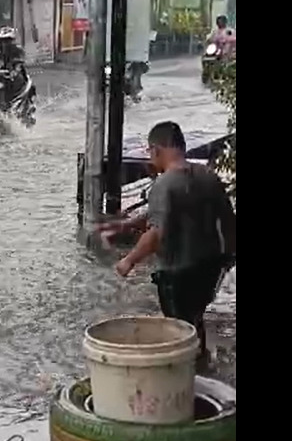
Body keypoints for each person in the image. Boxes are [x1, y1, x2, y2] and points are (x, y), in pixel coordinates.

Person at [97, 121, 236, 362]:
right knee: (195, 320)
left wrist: (128, 261)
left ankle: (185, 377)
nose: (150, 160)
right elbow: (227, 221)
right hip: (209, 267)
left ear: (157, 149)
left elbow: (156, 233)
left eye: (150, 153)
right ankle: (201, 361)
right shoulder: (207, 176)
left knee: (178, 331)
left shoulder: (163, 184)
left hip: (176, 274)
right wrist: (228, 258)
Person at [0, 26, 29, 99]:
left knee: (11, 83)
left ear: (11, 40)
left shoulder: (18, 50)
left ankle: (9, 103)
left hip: (16, 75)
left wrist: (14, 71)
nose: (4, 43)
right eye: (2, 40)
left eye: (6, 40)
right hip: (2, 72)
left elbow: (19, 63)